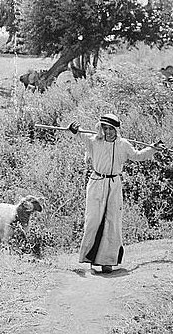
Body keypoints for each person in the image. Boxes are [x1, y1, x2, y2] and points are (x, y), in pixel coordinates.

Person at [68, 113, 162, 274]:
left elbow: (137, 156)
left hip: (114, 185)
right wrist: (75, 129)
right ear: (101, 129)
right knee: (93, 221)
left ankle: (107, 262)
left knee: (112, 222)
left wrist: (152, 148)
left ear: (116, 130)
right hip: (97, 183)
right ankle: (91, 259)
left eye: (111, 129)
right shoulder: (94, 141)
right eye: (105, 128)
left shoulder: (123, 144)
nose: (108, 132)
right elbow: (79, 132)